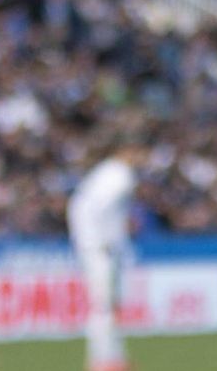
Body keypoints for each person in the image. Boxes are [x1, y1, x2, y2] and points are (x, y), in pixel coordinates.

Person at [68, 142, 147, 371]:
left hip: (99, 247)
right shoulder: (120, 175)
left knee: (106, 306)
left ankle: (111, 358)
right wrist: (99, 239)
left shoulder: (105, 172)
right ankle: (103, 361)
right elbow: (93, 208)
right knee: (103, 307)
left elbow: (80, 206)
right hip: (102, 249)